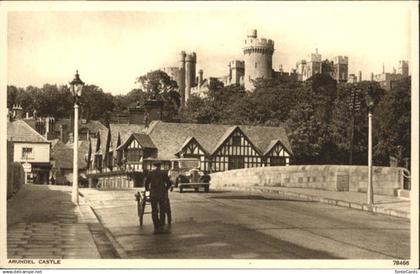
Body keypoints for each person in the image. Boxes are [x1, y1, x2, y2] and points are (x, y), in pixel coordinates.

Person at [144, 161, 172, 234]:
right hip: (162, 193)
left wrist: (148, 190)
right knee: (162, 209)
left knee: (154, 210)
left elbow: (146, 183)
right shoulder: (163, 173)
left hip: (153, 193)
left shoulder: (150, 173)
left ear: (154, 165)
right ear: (160, 166)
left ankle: (156, 225)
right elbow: (169, 183)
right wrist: (165, 188)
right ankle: (162, 225)